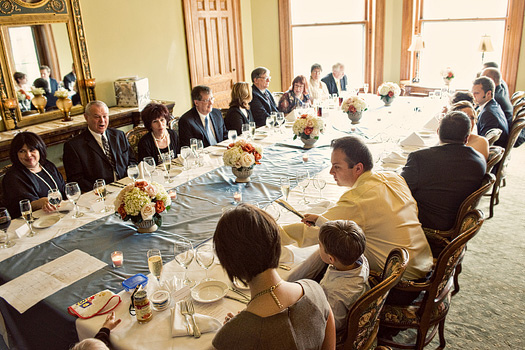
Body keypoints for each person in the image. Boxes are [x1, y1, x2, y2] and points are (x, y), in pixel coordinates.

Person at [279, 136, 433, 282]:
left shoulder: (358, 199)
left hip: (399, 283)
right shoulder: (394, 178)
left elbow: (312, 233)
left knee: (322, 272)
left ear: (358, 168)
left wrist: (270, 235)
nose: (331, 172)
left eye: (337, 167)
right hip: (424, 263)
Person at [212, 204, 336, 350]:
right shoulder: (316, 291)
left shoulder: (229, 338)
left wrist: (237, 329)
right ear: (277, 243)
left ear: (230, 263)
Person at [401, 111, 486, 234]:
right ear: (467, 138)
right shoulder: (480, 159)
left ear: (437, 132)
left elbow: (400, 190)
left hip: (426, 223)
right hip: (457, 222)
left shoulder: (420, 158)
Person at [63, 100, 135, 192]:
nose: (102, 121)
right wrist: (100, 190)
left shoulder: (119, 135)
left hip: (125, 187)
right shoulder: (74, 146)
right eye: (97, 117)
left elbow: (132, 160)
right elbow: (75, 179)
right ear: (86, 117)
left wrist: (129, 180)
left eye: (105, 116)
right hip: (98, 193)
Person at [318, 220, 370, 334]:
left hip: (339, 328)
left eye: (320, 245)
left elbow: (336, 324)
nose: (319, 247)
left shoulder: (335, 292)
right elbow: (344, 237)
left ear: (331, 259)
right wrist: (318, 221)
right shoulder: (359, 257)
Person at [3, 132, 66, 217]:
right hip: (36, 221)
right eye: (22, 151)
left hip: (61, 212)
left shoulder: (48, 165)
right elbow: (20, 207)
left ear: (39, 150)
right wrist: (39, 203)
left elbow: (64, 189)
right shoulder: (13, 177)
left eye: (32, 150)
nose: (28, 155)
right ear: (16, 154)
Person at [472, 76, 509, 148]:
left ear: (488, 94)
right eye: (472, 93)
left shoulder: (488, 114)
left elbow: (482, 144)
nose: (473, 96)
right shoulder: (493, 105)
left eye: (476, 93)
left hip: (491, 152)